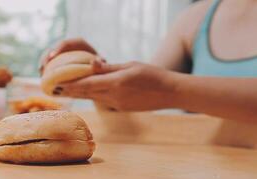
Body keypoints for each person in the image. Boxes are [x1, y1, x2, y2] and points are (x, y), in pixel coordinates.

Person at [41, 0, 257, 123]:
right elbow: (137, 99)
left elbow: (163, 87)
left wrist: (172, 90)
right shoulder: (196, 17)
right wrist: (100, 74)